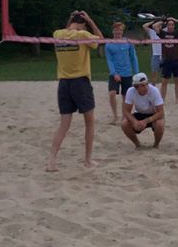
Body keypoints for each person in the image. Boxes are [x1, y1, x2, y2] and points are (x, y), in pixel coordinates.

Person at [46, 10, 102, 172]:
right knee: (90, 122)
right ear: (83, 24)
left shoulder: (58, 34)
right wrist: (91, 21)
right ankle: (88, 160)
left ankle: (51, 161)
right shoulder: (83, 35)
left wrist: (71, 19)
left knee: (63, 125)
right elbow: (100, 39)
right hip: (80, 82)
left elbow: (67, 31)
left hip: (63, 83)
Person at [105, 21, 139, 123]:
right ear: (113, 31)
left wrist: (136, 73)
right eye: (116, 30)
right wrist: (114, 73)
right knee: (112, 93)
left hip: (127, 73)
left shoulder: (128, 42)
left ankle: (124, 116)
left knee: (126, 96)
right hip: (115, 73)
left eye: (120, 30)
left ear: (122, 31)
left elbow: (133, 58)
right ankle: (115, 116)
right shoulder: (109, 45)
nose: (118, 32)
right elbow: (109, 60)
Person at [122, 72, 164, 149]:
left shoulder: (154, 91)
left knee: (160, 124)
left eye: (147, 84)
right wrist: (134, 121)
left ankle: (156, 145)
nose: (146, 87)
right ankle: (137, 144)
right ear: (136, 87)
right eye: (142, 85)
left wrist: (146, 121)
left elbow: (161, 113)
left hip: (153, 114)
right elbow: (126, 111)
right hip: (139, 113)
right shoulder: (130, 91)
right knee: (124, 123)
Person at [151, 16, 178, 103]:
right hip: (167, 60)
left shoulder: (177, 33)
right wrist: (164, 20)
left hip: (176, 60)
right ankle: (162, 99)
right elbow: (154, 26)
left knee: (177, 81)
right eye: (169, 25)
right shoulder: (163, 34)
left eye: (172, 25)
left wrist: (175, 19)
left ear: (174, 26)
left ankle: (177, 99)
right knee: (164, 82)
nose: (171, 26)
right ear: (167, 26)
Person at [142, 17, 163, 84]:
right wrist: (153, 21)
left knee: (164, 74)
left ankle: (162, 88)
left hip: (164, 55)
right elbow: (144, 26)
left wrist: (163, 21)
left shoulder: (164, 31)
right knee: (154, 73)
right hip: (155, 54)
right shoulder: (152, 32)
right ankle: (153, 86)